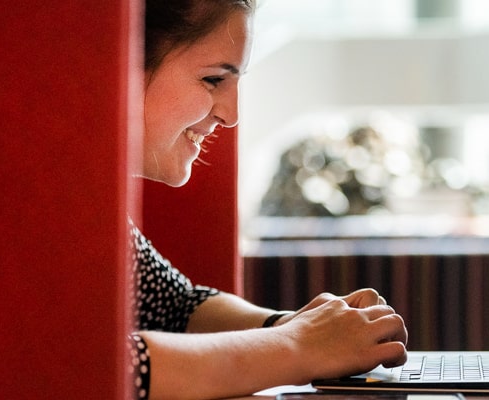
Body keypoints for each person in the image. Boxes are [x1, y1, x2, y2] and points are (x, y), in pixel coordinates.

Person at [130, 1, 408, 399]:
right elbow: (108, 367)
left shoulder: (89, 200)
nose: (231, 114)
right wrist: (299, 345)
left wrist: (297, 327)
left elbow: (177, 307)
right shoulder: (31, 200)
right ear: (124, 60)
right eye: (212, 79)